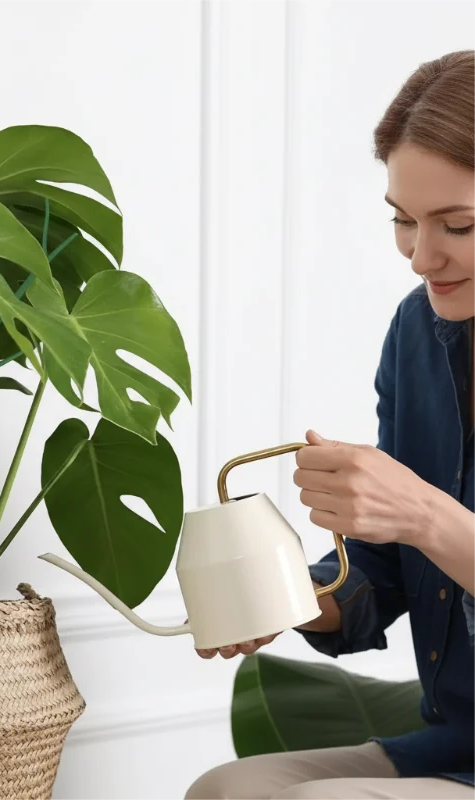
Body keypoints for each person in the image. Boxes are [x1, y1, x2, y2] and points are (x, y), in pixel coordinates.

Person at [185, 50, 475, 799]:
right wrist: (280, 597)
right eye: (403, 222)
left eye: (458, 225)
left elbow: (423, 526)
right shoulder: (419, 334)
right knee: (227, 790)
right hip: (459, 741)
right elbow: (383, 573)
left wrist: (423, 513)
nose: (421, 256)